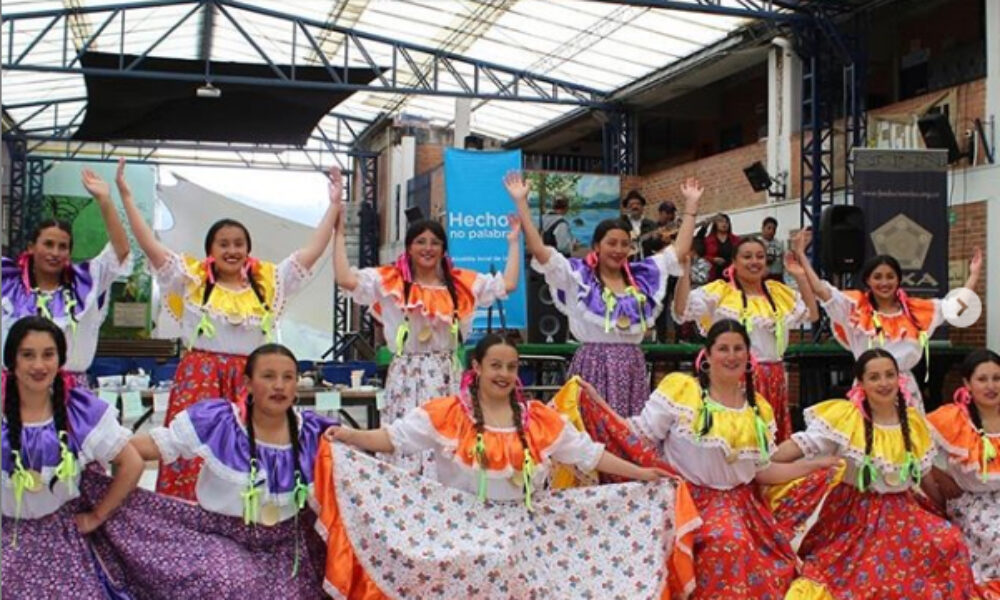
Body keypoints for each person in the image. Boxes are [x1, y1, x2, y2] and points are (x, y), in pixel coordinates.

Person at [314, 334, 698, 599]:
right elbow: (393, 438)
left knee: (547, 570)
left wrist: (643, 473)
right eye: (495, 365)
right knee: (492, 559)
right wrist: (348, 437)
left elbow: (589, 455)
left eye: (511, 367)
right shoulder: (450, 413)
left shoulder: (537, 418)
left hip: (526, 524)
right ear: (476, 367)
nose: (503, 374)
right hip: (460, 524)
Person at [117, 157, 339, 500]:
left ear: (248, 250)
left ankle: (245, 518)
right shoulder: (189, 279)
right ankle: (186, 521)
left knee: (248, 450)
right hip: (199, 378)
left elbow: (311, 252)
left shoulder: (269, 284)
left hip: (251, 381)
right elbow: (151, 246)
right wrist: (127, 199)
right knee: (189, 450)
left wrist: (334, 206)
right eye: (224, 243)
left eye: (238, 243)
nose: (232, 250)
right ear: (211, 251)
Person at [567, 320, 836, 600]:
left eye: (738, 349)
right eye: (723, 349)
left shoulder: (759, 410)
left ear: (748, 357)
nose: (731, 356)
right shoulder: (683, 392)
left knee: (773, 559)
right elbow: (638, 434)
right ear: (706, 356)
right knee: (727, 541)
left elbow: (761, 471)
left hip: (744, 507)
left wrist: (812, 465)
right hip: (689, 500)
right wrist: (598, 405)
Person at [108, 344, 335, 598]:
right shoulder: (221, 420)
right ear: (248, 383)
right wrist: (97, 448)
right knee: (228, 582)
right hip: (221, 536)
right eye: (268, 376)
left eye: (288, 377)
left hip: (288, 546)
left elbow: (356, 462)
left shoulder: (315, 431)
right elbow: (157, 445)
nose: (279, 385)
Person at [774, 348, 979, 599]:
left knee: (951, 541)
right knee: (865, 574)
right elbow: (800, 445)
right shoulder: (847, 419)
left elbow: (927, 480)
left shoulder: (913, 422)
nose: (883, 383)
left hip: (905, 510)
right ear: (860, 383)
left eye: (889, 375)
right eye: (874, 377)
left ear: (899, 379)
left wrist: (948, 513)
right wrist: (761, 460)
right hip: (855, 513)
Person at [332, 204, 520, 477]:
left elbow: (509, 284)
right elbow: (346, 279)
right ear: (409, 248)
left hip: (447, 374)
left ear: (444, 249)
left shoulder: (460, 284)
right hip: (407, 375)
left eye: (435, 242)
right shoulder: (391, 280)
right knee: (405, 442)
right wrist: (338, 234)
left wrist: (513, 242)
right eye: (420, 241)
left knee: (448, 445)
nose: (428, 248)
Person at [506, 171, 699, 418]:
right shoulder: (579, 275)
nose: (618, 250)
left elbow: (680, 250)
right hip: (593, 366)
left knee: (629, 432)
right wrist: (522, 203)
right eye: (611, 243)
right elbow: (540, 251)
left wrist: (691, 207)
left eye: (624, 244)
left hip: (632, 367)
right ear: (597, 246)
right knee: (590, 435)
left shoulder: (641, 276)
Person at [1, 317, 143, 598]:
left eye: (48, 355)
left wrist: (97, 516)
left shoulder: (79, 412)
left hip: (60, 538)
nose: (39, 366)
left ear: (60, 361)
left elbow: (132, 463)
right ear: (11, 362)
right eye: (28, 355)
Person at [792, 228, 982, 407]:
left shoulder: (915, 312)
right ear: (868, 280)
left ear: (898, 280)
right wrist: (802, 257)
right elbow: (820, 290)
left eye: (890, 276)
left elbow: (957, 306)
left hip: (905, 393)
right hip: (867, 391)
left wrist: (973, 275)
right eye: (878, 277)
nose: (884, 282)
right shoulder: (855, 309)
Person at [673, 236, 819, 442]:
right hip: (734, 378)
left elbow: (812, 314)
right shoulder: (720, 292)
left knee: (769, 443)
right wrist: (684, 271)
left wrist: (800, 275)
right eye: (747, 256)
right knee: (737, 439)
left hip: (774, 377)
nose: (754, 261)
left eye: (760, 256)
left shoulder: (777, 293)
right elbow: (681, 310)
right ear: (734, 262)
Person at [2, 167, 132, 388]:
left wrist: (105, 200)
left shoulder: (86, 282)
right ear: (31, 248)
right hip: (14, 393)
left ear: (69, 253)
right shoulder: (8, 285)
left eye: (63, 246)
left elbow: (120, 252)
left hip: (71, 393)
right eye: (48, 244)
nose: (55, 253)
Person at [924, 350, 1000, 599]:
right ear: (967, 383)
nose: (991, 386)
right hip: (974, 503)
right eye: (982, 379)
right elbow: (910, 446)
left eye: (997, 378)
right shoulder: (953, 418)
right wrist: (940, 475)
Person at [622, 189, 659, 259]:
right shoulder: (620, 223)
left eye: (638, 204)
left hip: (646, 263)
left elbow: (656, 247)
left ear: (642, 207)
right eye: (631, 204)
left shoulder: (651, 225)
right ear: (627, 207)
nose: (634, 207)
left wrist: (659, 240)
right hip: (626, 263)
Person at [701, 212, 738, 281]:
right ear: (715, 224)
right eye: (721, 221)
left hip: (732, 273)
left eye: (726, 222)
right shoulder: (708, 240)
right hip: (714, 274)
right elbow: (702, 256)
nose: (724, 224)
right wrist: (713, 259)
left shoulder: (735, 239)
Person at [760, 216, 783, 282]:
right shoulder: (757, 244)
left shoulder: (779, 244)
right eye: (769, 228)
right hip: (763, 277)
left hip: (777, 276)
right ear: (763, 228)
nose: (771, 231)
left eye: (774, 229)